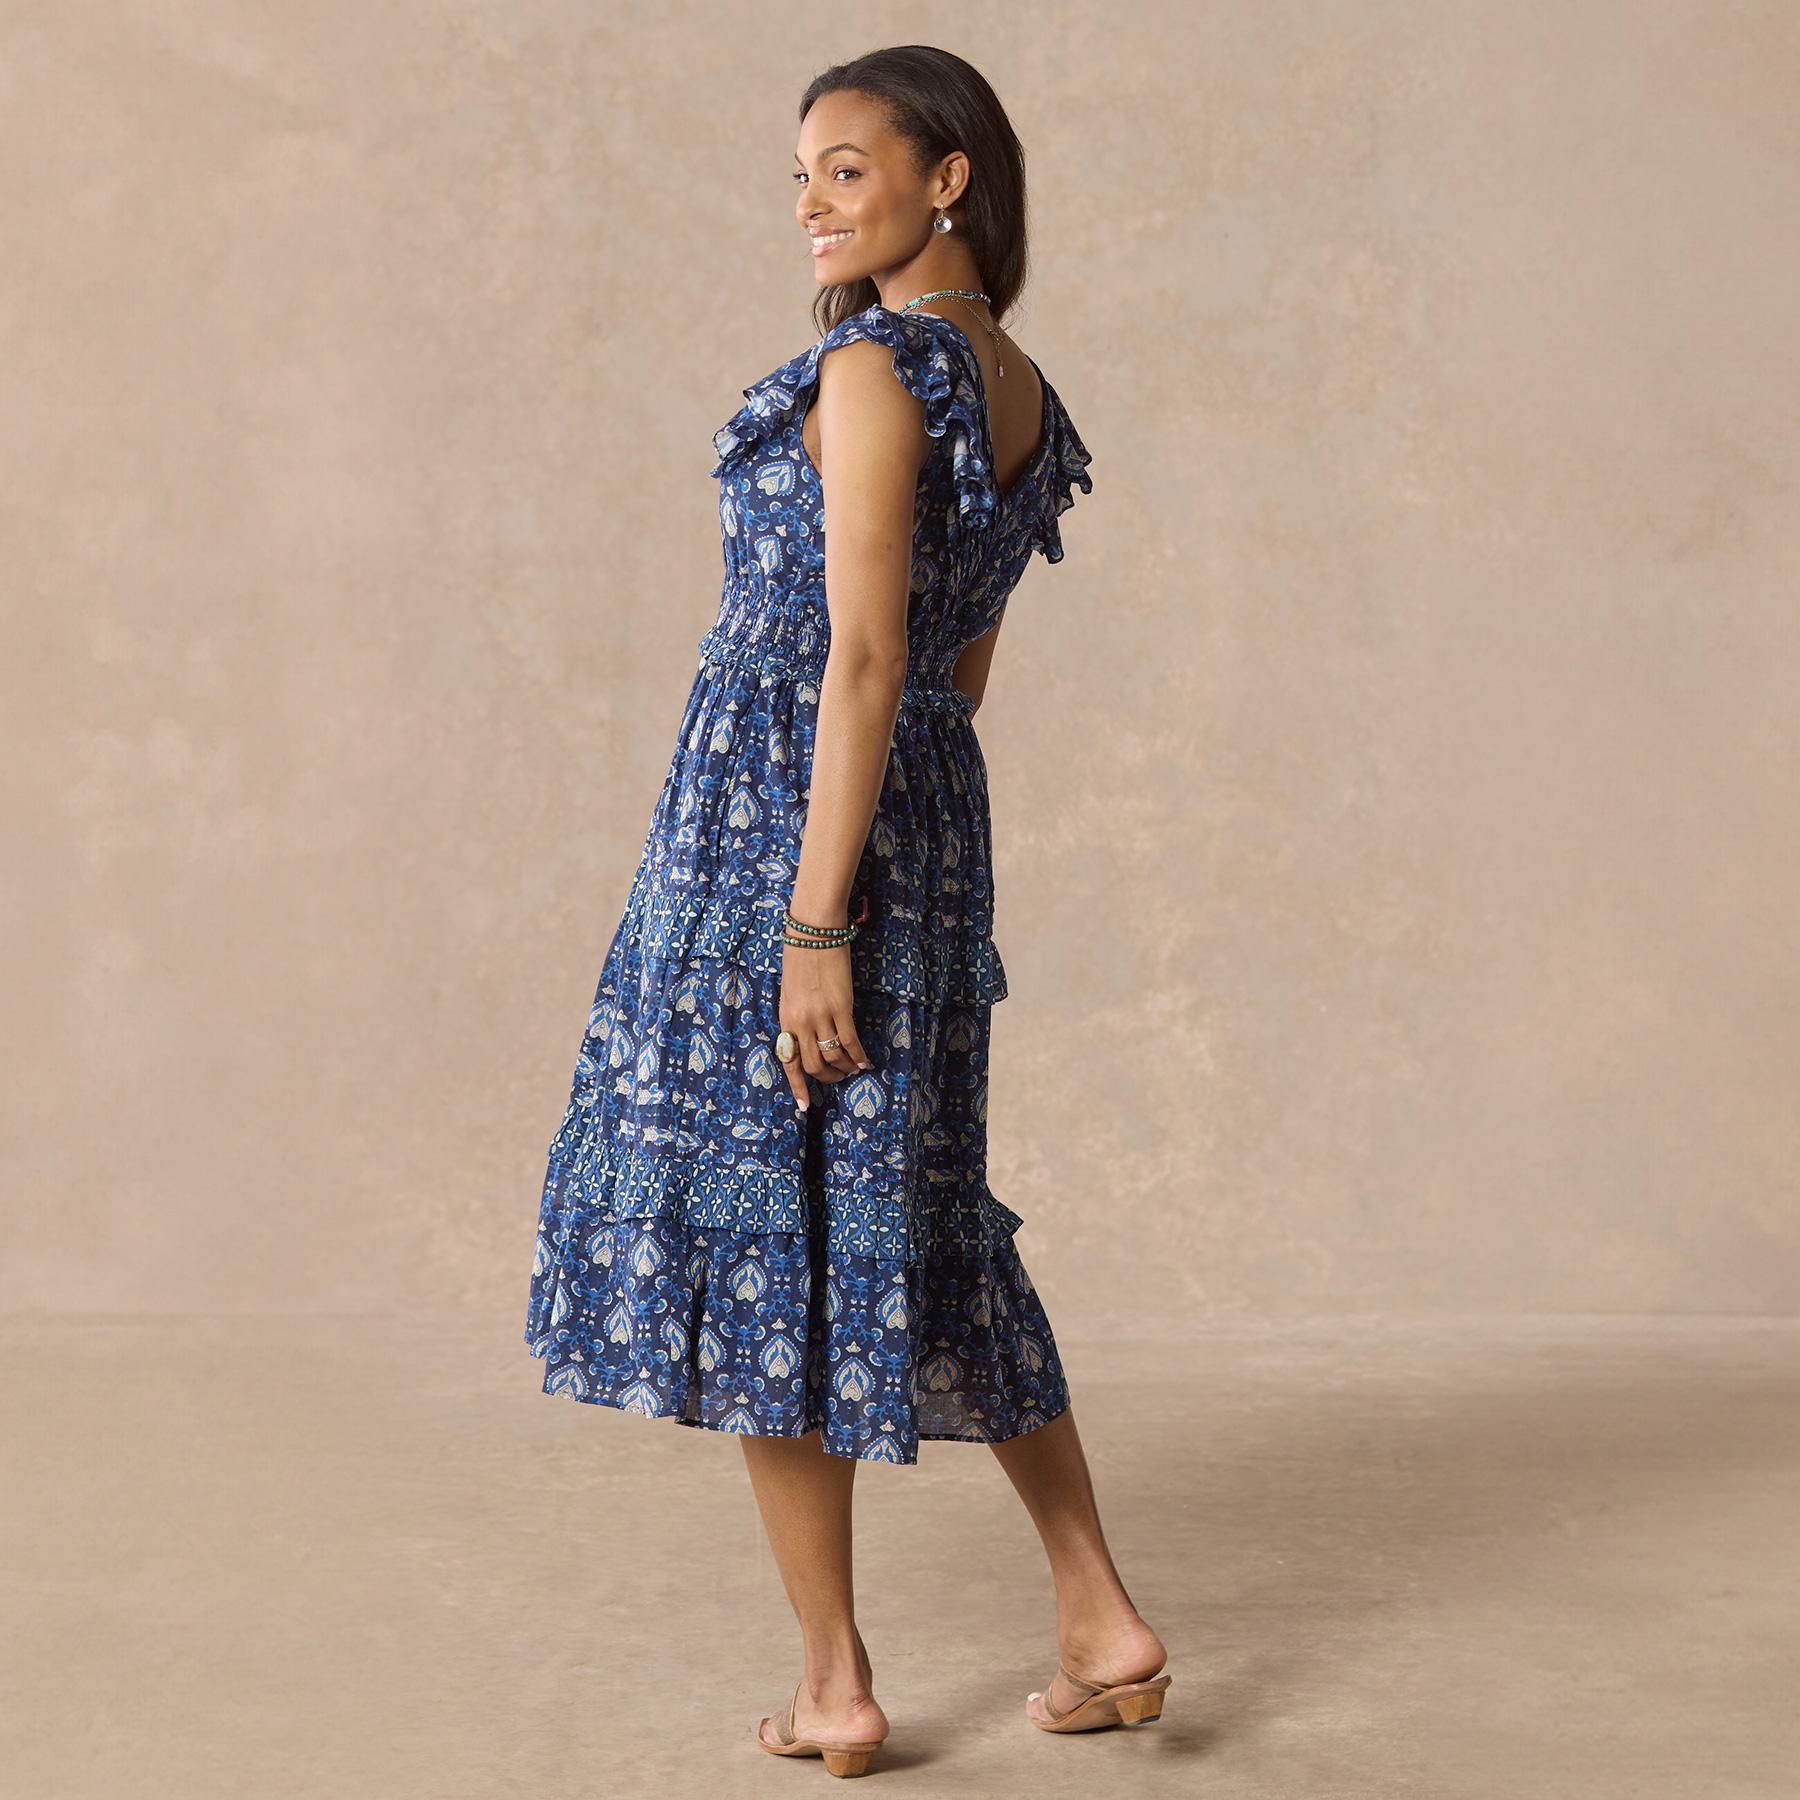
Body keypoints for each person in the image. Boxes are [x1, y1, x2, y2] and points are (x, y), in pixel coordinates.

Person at [524, 44, 1170, 1777]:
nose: (811, 202)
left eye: (846, 166)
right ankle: (1098, 1612)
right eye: (801, 174)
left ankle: (833, 1683)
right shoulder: (1015, 387)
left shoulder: (878, 367)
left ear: (949, 178)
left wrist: (816, 923)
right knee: (924, 1211)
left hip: (781, 843)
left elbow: (869, 656)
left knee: (765, 1231)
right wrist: (897, 866)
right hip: (919, 825)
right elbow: (957, 674)